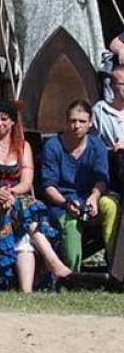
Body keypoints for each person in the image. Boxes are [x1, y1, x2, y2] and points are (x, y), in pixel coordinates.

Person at [0, 100, 71, 292]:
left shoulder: (23, 146)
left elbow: (26, 182)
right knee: (24, 211)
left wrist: (11, 193)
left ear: (12, 122)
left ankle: (26, 291)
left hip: (14, 197)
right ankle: (53, 260)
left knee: (24, 224)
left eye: (4, 119)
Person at [41, 100, 120, 271]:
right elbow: (49, 185)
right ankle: (73, 274)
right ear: (66, 121)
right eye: (73, 121)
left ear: (90, 123)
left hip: (90, 197)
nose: (77, 126)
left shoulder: (97, 145)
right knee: (70, 222)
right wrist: (65, 203)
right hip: (62, 202)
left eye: (82, 121)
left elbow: (102, 178)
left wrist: (94, 197)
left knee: (111, 205)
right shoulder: (53, 146)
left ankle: (116, 267)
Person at [92, 64, 124, 195]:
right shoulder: (99, 112)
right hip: (112, 168)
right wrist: (111, 150)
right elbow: (92, 145)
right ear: (112, 86)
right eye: (123, 84)